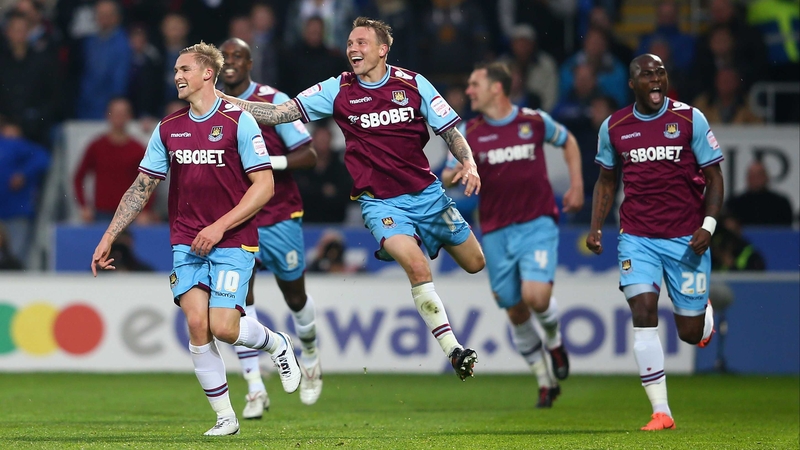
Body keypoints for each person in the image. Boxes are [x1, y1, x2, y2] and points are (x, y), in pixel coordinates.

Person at [219, 17, 486, 381]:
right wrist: (225, 100)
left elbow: (450, 130)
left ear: (382, 49)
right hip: (381, 203)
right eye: (349, 43)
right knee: (417, 267)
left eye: (361, 42)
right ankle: (454, 351)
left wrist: (468, 162)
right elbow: (280, 113)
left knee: (475, 263)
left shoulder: (412, 84)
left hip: (427, 195)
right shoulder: (338, 89)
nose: (353, 49)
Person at [90, 42, 301, 437]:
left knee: (223, 326)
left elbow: (265, 186)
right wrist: (109, 235)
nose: (177, 77)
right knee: (196, 324)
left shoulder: (239, 121)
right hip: (186, 241)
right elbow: (142, 186)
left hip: (233, 239)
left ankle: (276, 343)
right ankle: (225, 418)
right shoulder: (168, 128)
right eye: (174, 71)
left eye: (184, 69)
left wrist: (220, 226)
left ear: (208, 73)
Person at [586, 54, 724, 431]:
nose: (656, 80)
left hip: (687, 239)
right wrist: (596, 226)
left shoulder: (690, 119)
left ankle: (703, 313)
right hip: (637, 238)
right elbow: (607, 181)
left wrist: (708, 226)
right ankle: (661, 411)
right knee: (643, 313)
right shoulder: (615, 126)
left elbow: (714, 177)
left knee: (689, 333)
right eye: (647, 75)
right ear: (632, 84)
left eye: (661, 72)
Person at [441, 62, 581, 408]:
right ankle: (545, 381)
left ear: (496, 88)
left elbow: (569, 141)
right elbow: (444, 175)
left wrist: (577, 184)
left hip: (537, 224)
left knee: (536, 297)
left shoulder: (532, 121)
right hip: (495, 230)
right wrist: (455, 173)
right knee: (515, 310)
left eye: (474, 84)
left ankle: (554, 341)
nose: (468, 91)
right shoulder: (468, 132)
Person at [219, 37, 323, 417]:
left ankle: (310, 354)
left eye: (237, 57)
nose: (229, 62)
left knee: (294, 296)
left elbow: (309, 155)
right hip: (236, 218)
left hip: (278, 214)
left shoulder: (271, 99)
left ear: (250, 64)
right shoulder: (209, 104)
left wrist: (267, 166)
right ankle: (255, 386)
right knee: (238, 302)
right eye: (224, 56)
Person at [73, 97, 158, 224]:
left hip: (130, 214)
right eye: (115, 113)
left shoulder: (138, 149)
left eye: (123, 114)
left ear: (129, 116)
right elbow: (79, 177)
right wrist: (84, 206)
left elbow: (149, 182)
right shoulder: (97, 146)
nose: (119, 117)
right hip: (101, 214)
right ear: (108, 115)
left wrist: (145, 210)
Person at [726, 160, 793, 226]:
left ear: (767, 177)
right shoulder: (734, 204)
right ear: (747, 178)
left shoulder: (781, 204)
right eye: (752, 175)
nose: (756, 179)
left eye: (759, 175)